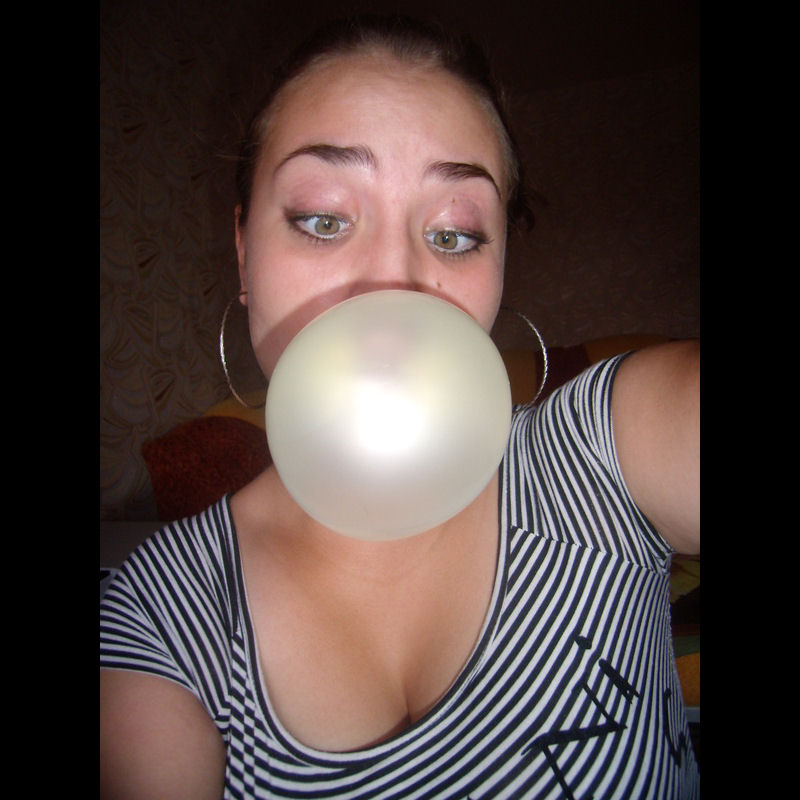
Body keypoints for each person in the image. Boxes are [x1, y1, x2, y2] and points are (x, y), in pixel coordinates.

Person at [100, 14, 700, 799]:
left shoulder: (606, 448)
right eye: (323, 220)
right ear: (244, 254)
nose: (392, 286)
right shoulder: (155, 621)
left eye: (453, 234)